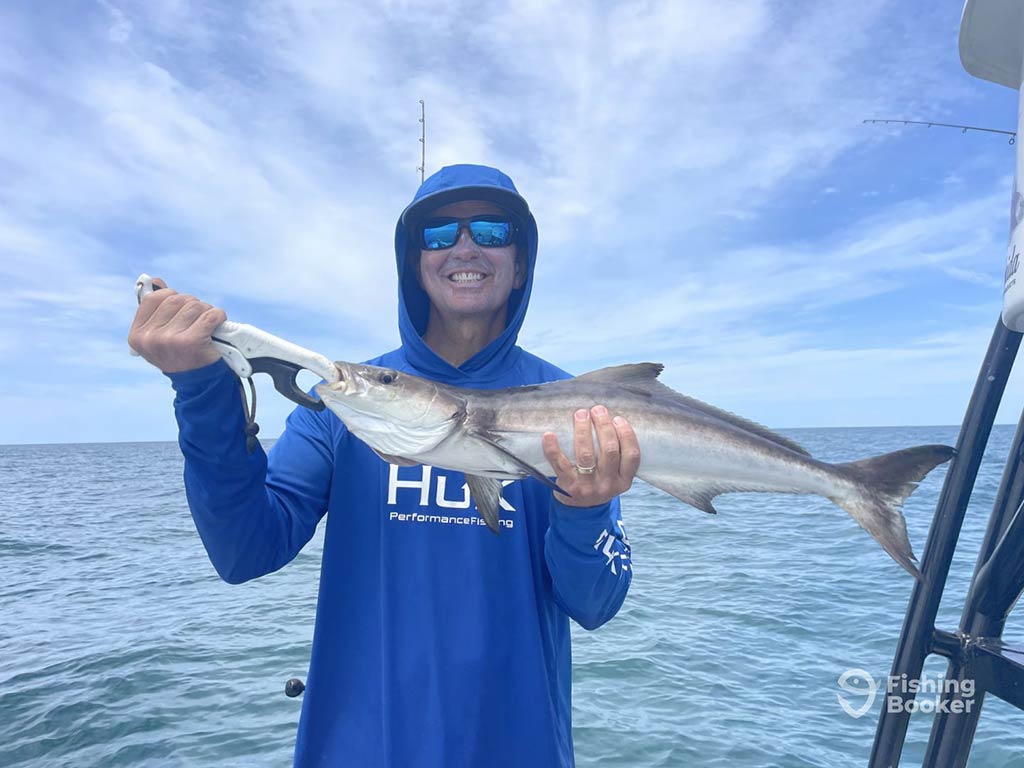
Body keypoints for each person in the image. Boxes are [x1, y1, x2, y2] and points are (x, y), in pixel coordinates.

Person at [128, 164, 637, 767]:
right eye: (439, 235)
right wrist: (202, 391)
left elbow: (596, 604)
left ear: (521, 262)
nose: (465, 247)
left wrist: (587, 507)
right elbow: (245, 551)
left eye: (493, 230)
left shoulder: (573, 411)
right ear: (413, 262)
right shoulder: (344, 403)